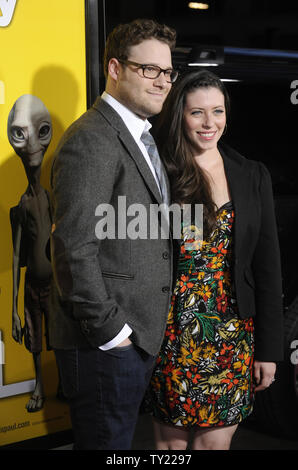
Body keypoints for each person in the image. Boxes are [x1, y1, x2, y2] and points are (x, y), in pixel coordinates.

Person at [48, 19, 178, 450]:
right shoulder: (92, 139)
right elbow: (72, 246)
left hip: (131, 339)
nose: (162, 82)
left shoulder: (139, 133)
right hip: (104, 344)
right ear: (116, 68)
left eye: (168, 72)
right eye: (149, 70)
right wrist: (111, 331)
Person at [146, 70, 284, 450]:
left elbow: (268, 268)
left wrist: (269, 351)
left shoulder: (252, 174)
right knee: (171, 448)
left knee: (213, 446)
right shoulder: (160, 174)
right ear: (180, 117)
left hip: (232, 335)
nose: (210, 123)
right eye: (197, 113)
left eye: (217, 111)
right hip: (173, 333)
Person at [8, 94, 53, 413]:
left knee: (59, 335)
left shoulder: (55, 198)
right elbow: (15, 256)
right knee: (35, 339)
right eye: (19, 133)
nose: (31, 143)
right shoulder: (22, 206)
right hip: (34, 287)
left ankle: (64, 381)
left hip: (56, 286)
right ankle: (40, 384)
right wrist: (13, 306)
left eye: (42, 130)